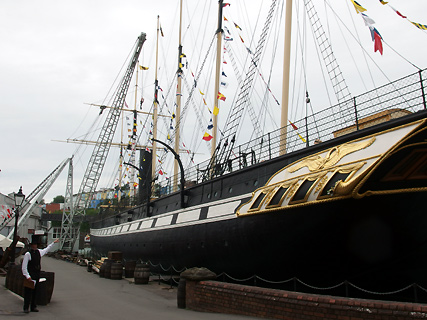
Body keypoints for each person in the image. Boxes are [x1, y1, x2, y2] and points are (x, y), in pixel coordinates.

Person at [21, 237, 59, 313]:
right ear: (31, 245)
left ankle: (33, 307)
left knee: (35, 292)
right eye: (33, 244)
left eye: (35, 244)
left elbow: (46, 249)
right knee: (28, 292)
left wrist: (53, 243)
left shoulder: (39, 252)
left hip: (37, 274)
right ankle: (26, 307)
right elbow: (24, 267)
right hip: (30, 274)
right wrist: (27, 276)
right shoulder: (28, 254)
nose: (35, 246)